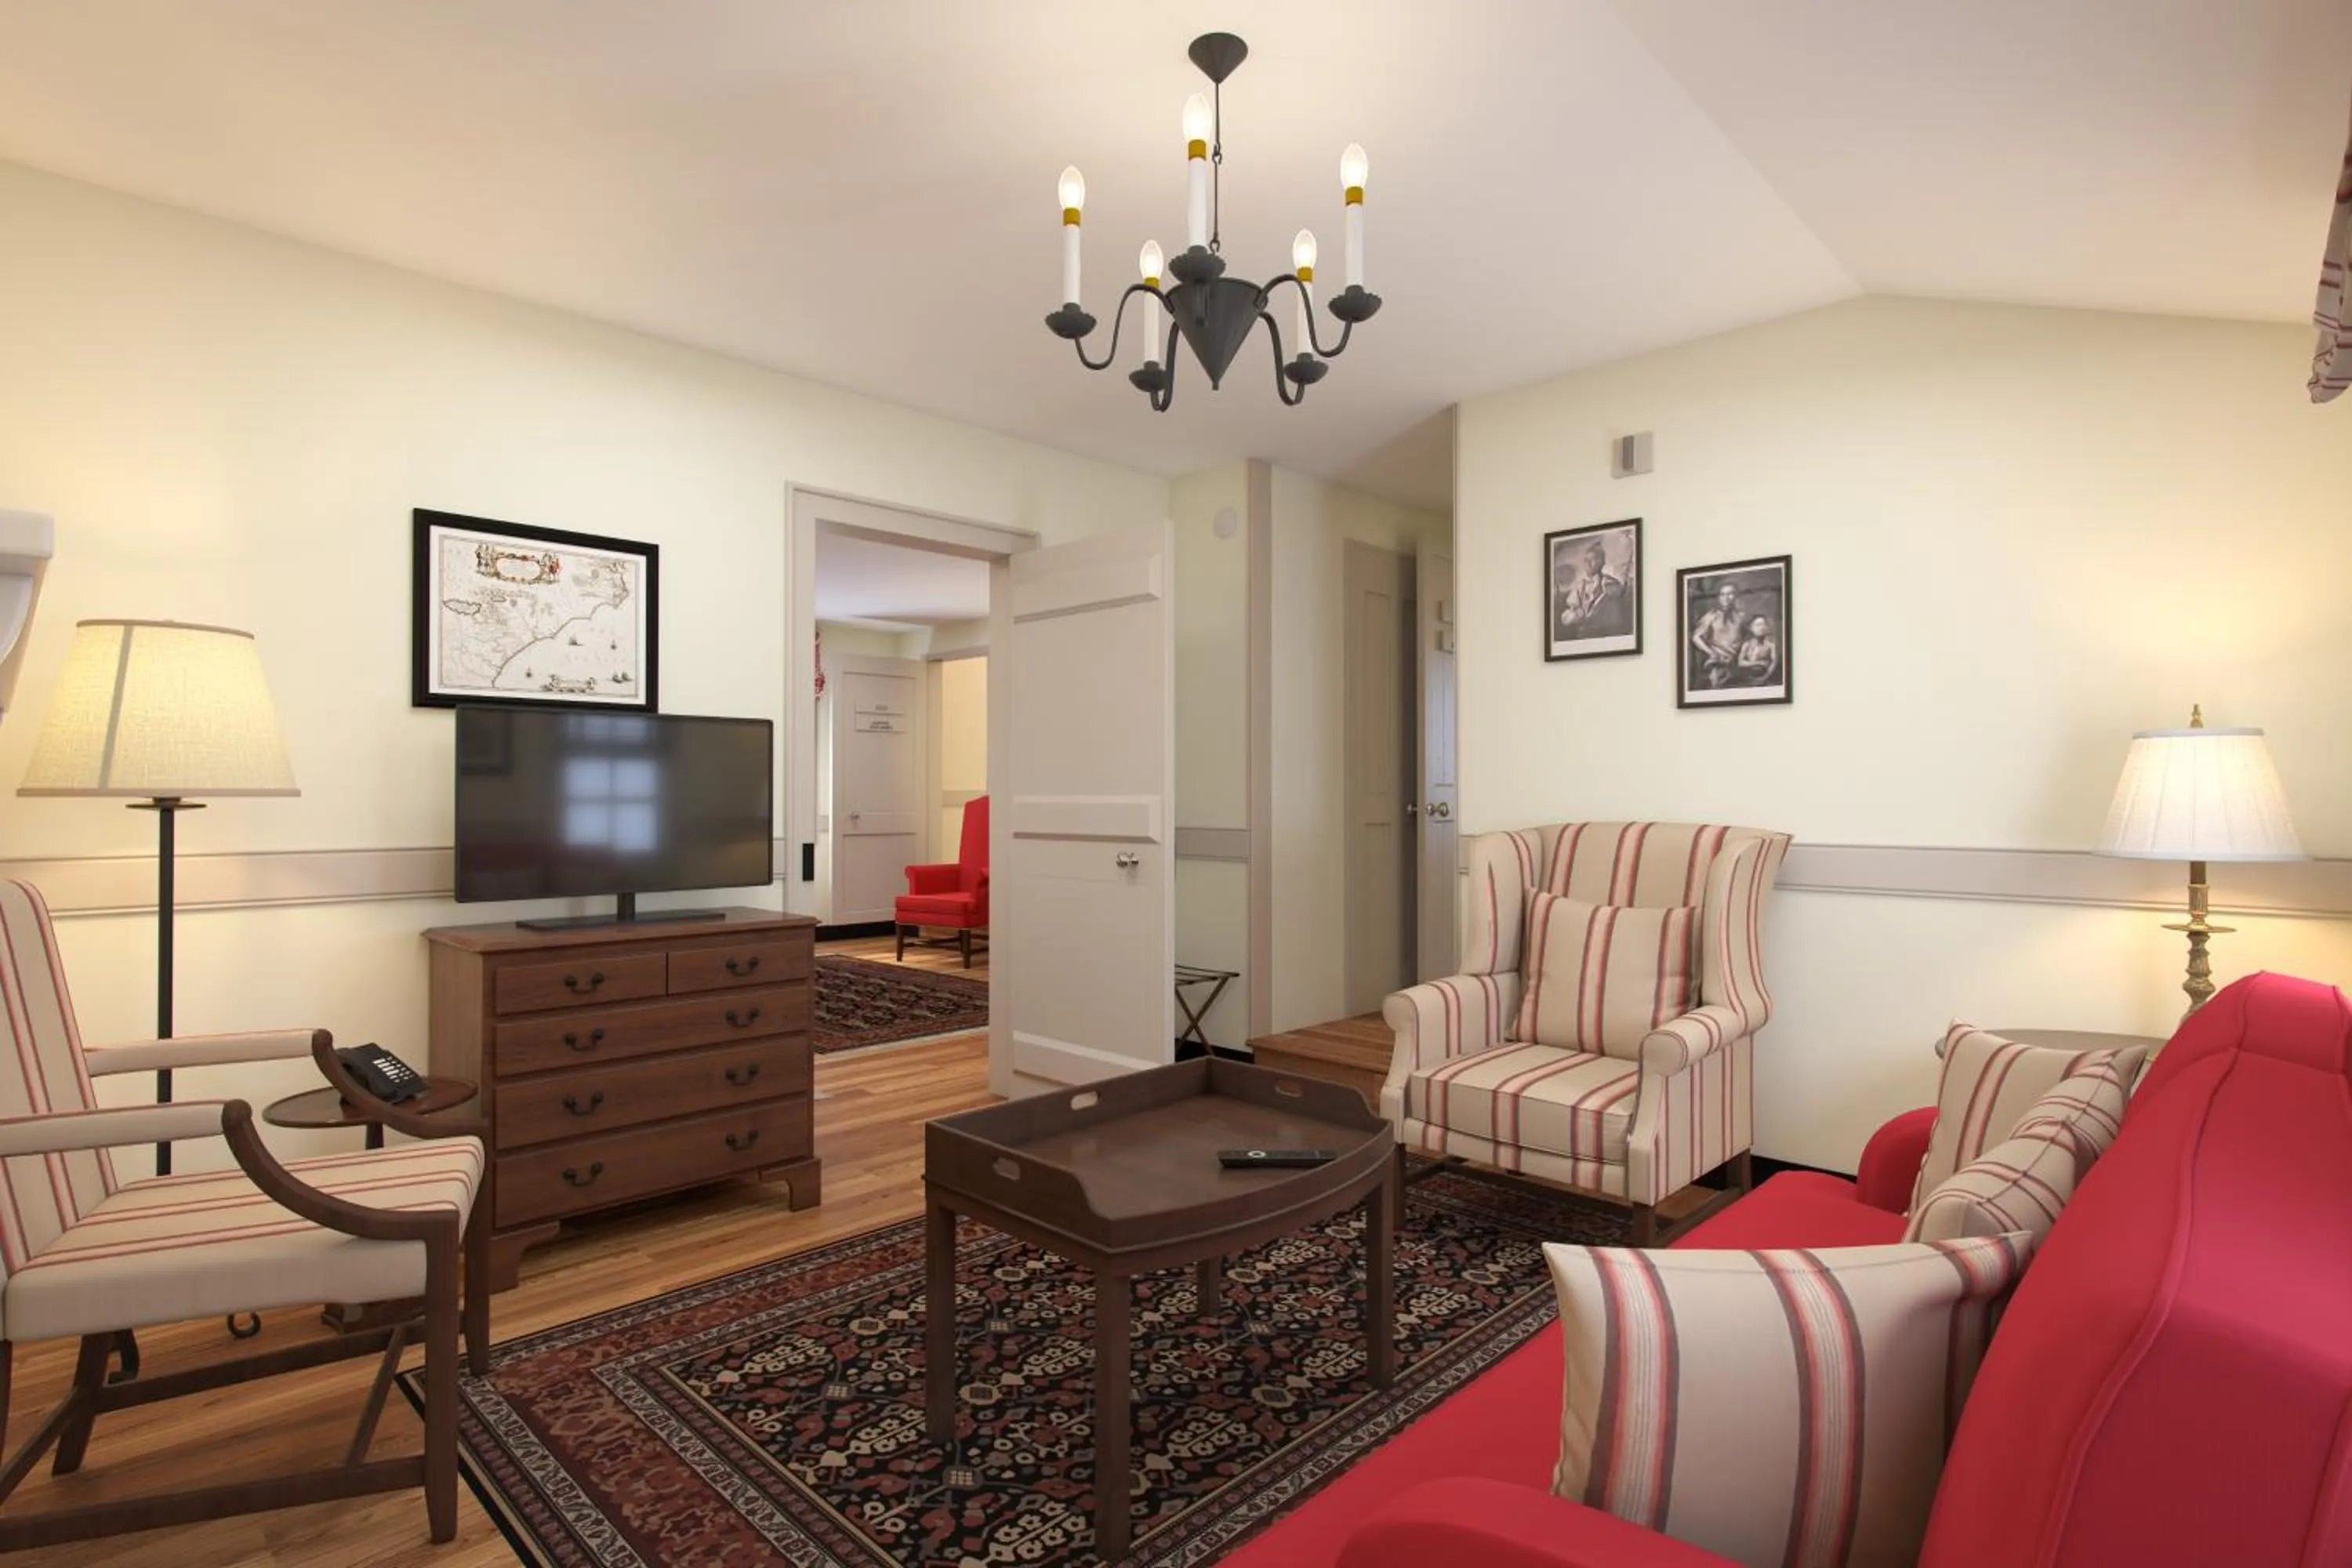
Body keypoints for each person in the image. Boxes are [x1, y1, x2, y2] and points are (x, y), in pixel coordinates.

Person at [1558, 539, 1631, 641]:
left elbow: (1616, 597)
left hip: (1606, 633)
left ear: (1602, 562)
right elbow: (1572, 608)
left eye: (1593, 559)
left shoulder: (1610, 583)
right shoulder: (1580, 586)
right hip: (1584, 633)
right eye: (1586, 560)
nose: (1588, 563)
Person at [1690, 579, 1744, 687]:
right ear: (1719, 597)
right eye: (1723, 594)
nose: (1726, 598)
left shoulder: (1740, 617)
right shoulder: (1712, 615)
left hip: (1734, 661)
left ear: (1736, 596)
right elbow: (1696, 637)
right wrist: (1711, 652)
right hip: (1716, 660)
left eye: (1730, 594)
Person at [1735, 613, 1779, 686]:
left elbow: (1774, 663)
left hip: (1765, 678)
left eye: (1763, 624)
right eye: (1758, 625)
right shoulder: (1747, 644)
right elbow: (1740, 662)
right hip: (1747, 679)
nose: (1761, 628)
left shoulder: (1771, 645)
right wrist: (1759, 663)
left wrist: (1764, 678)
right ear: (1751, 628)